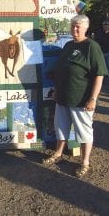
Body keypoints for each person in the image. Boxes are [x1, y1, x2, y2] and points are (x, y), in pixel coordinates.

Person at [43, 14, 108, 178]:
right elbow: (61, 70)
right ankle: (58, 153)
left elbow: (99, 74)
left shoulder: (92, 46)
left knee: (84, 131)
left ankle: (85, 162)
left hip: (82, 99)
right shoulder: (68, 46)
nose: (75, 29)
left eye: (78, 26)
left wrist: (93, 98)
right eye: (73, 26)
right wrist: (57, 90)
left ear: (86, 28)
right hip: (63, 97)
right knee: (61, 128)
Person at [94, 20, 109, 84]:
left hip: (108, 53)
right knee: (101, 67)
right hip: (101, 53)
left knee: (108, 66)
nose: (105, 26)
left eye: (107, 25)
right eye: (104, 25)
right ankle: (101, 81)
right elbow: (95, 41)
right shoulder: (99, 33)